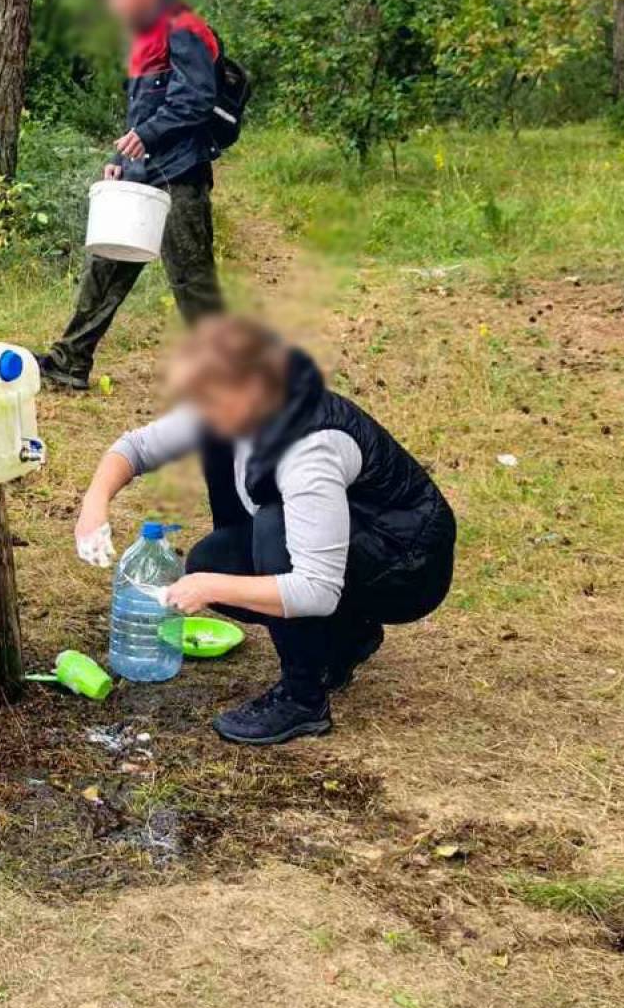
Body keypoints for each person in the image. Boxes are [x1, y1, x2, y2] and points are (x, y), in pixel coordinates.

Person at [73, 315, 457, 745]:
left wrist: (210, 587)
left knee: (272, 530)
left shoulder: (306, 449)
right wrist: (94, 506)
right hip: (352, 541)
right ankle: (347, 637)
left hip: (407, 563)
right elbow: (137, 448)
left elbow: (315, 588)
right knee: (214, 557)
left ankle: (302, 700)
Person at [38, 0, 225, 392]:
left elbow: (197, 98)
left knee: (192, 282)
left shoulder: (184, 26)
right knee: (106, 265)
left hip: (179, 177)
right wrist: (121, 160)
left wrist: (149, 137)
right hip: (141, 175)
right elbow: (144, 110)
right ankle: (69, 362)